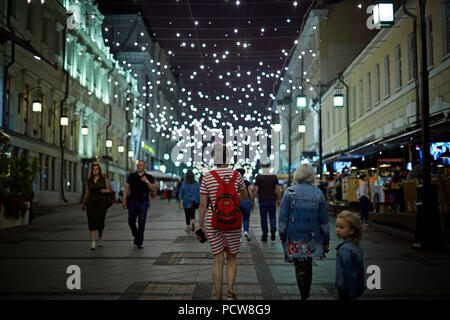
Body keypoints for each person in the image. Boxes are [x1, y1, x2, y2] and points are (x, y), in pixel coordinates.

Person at [198, 143, 248, 300]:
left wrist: (200, 226)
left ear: (214, 158)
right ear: (229, 158)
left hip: (214, 222)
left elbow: (203, 204)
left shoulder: (207, 177)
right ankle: (230, 292)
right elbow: (245, 196)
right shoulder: (236, 176)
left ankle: (218, 296)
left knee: (217, 260)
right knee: (232, 258)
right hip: (233, 222)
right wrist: (232, 203)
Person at [278, 164, 330, 300]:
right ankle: (306, 293)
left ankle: (303, 294)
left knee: (299, 266)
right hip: (313, 237)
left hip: (294, 236)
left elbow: (282, 220)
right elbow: (324, 221)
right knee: (308, 265)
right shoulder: (318, 193)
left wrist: (282, 237)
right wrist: (326, 240)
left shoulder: (289, 192)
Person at [122, 160, 158, 249]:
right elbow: (126, 188)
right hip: (132, 201)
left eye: (140, 165)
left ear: (144, 167)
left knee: (142, 221)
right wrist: (124, 199)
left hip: (144, 202)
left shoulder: (149, 177)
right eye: (137, 165)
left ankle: (139, 241)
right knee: (131, 220)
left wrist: (146, 181)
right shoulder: (132, 176)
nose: (138, 167)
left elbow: (153, 188)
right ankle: (136, 235)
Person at [335, 211, 365, 300]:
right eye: (336, 226)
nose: (337, 230)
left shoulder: (345, 249)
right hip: (357, 286)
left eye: (341, 227)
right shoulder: (355, 246)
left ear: (352, 230)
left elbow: (349, 271)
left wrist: (352, 292)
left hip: (346, 288)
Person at [82, 163, 111, 250]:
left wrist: (105, 191)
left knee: (100, 222)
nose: (95, 171)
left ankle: (100, 238)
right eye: (94, 169)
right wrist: (83, 204)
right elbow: (87, 193)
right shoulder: (89, 180)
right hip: (91, 203)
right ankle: (93, 243)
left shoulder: (104, 180)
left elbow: (109, 190)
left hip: (101, 203)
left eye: (96, 169)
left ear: (99, 170)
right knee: (91, 221)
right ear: (92, 171)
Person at [254, 162, 281, 242]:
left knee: (263, 218)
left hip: (262, 201)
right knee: (272, 217)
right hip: (272, 200)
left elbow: (256, 189)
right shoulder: (274, 177)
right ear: (269, 167)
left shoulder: (259, 177)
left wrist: (252, 199)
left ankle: (264, 235)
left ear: (262, 167)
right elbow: (277, 189)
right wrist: (279, 199)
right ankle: (273, 228)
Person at [236, 168, 254, 241]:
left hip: (237, 201)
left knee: (238, 219)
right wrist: (252, 201)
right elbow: (250, 192)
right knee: (246, 218)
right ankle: (246, 231)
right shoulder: (246, 182)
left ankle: (239, 235)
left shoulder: (234, 182)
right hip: (246, 201)